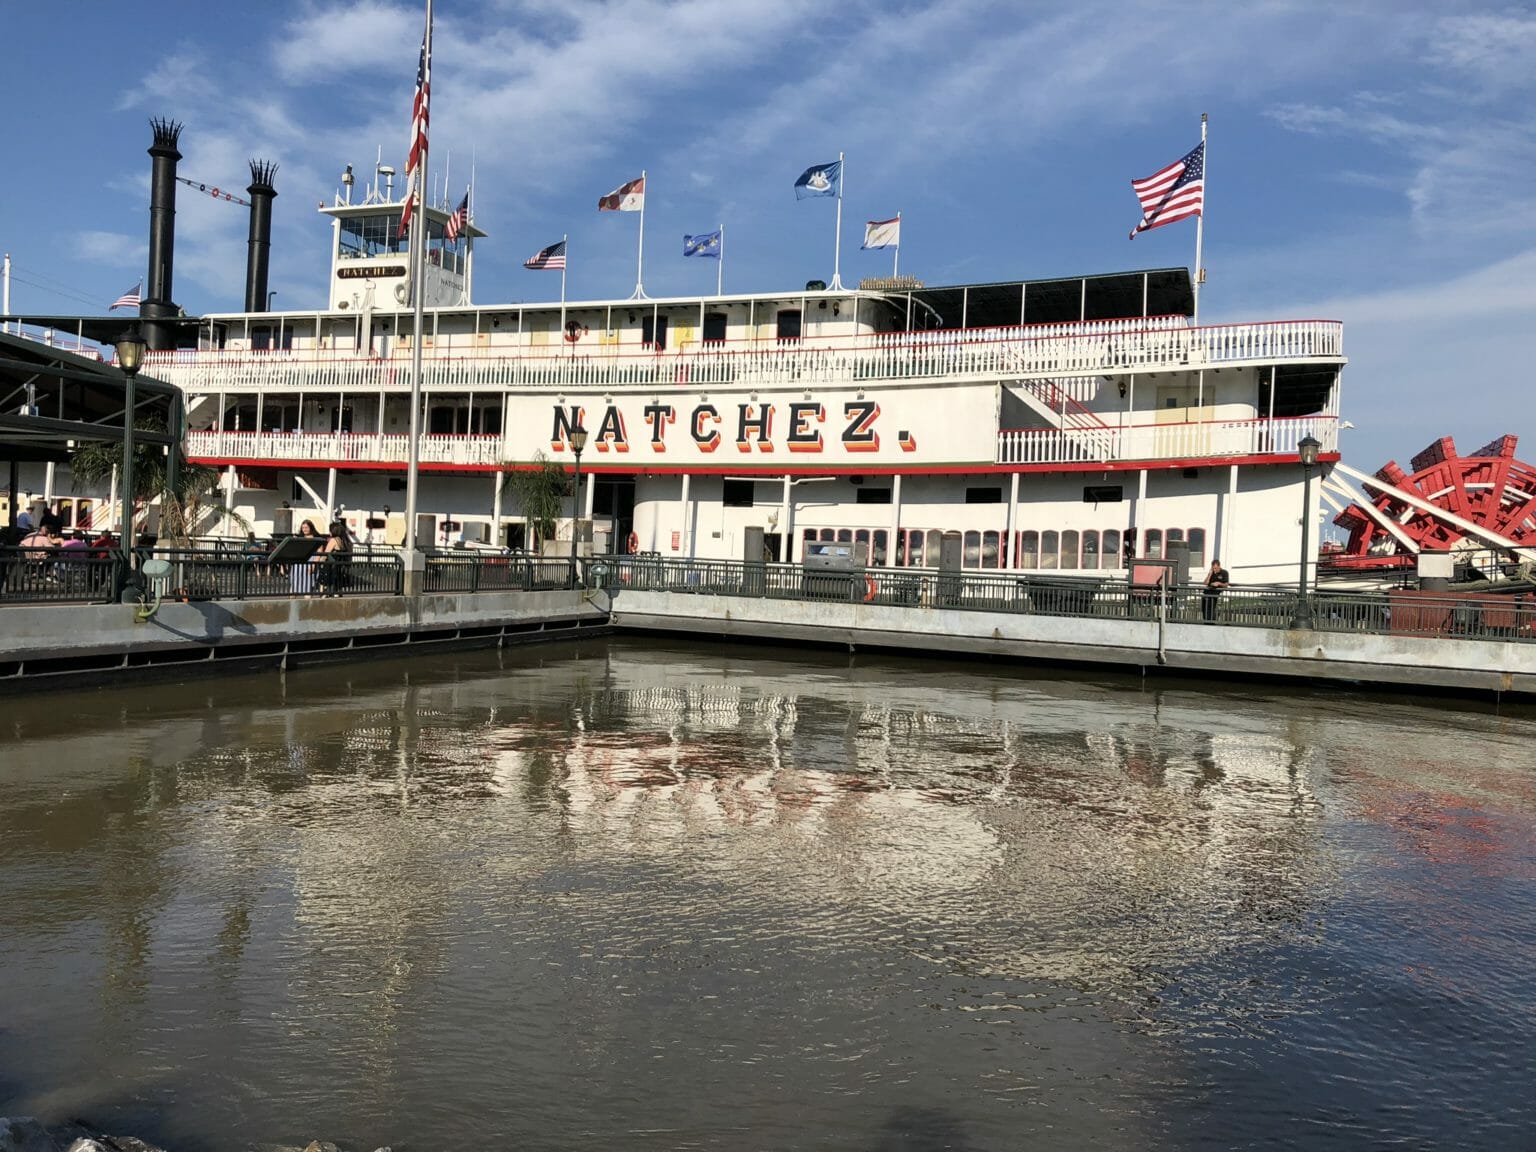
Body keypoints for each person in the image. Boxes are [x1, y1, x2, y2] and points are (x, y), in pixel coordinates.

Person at [315, 520, 352, 597]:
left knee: (323, 583)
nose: (329, 532)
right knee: (336, 586)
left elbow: (325, 553)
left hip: (330, 567)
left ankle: (323, 595)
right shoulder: (344, 541)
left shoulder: (333, 540)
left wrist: (319, 563)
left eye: (330, 530)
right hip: (339, 567)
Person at [290, 519, 320, 594]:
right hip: (298, 565)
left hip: (309, 563)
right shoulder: (300, 538)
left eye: (306, 527)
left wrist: (313, 565)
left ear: (311, 528)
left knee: (308, 587)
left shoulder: (316, 539)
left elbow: (319, 553)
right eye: (303, 528)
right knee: (294, 587)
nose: (304, 529)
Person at [1202, 558, 1230, 622]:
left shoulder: (1224, 572)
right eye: (1213, 568)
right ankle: (1206, 621)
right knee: (1204, 608)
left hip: (1215, 593)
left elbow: (1226, 584)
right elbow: (1205, 583)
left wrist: (1218, 583)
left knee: (1211, 608)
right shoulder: (1211, 573)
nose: (1214, 570)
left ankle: (1212, 621)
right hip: (1207, 592)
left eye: (1216, 568)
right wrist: (1209, 574)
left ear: (1219, 566)